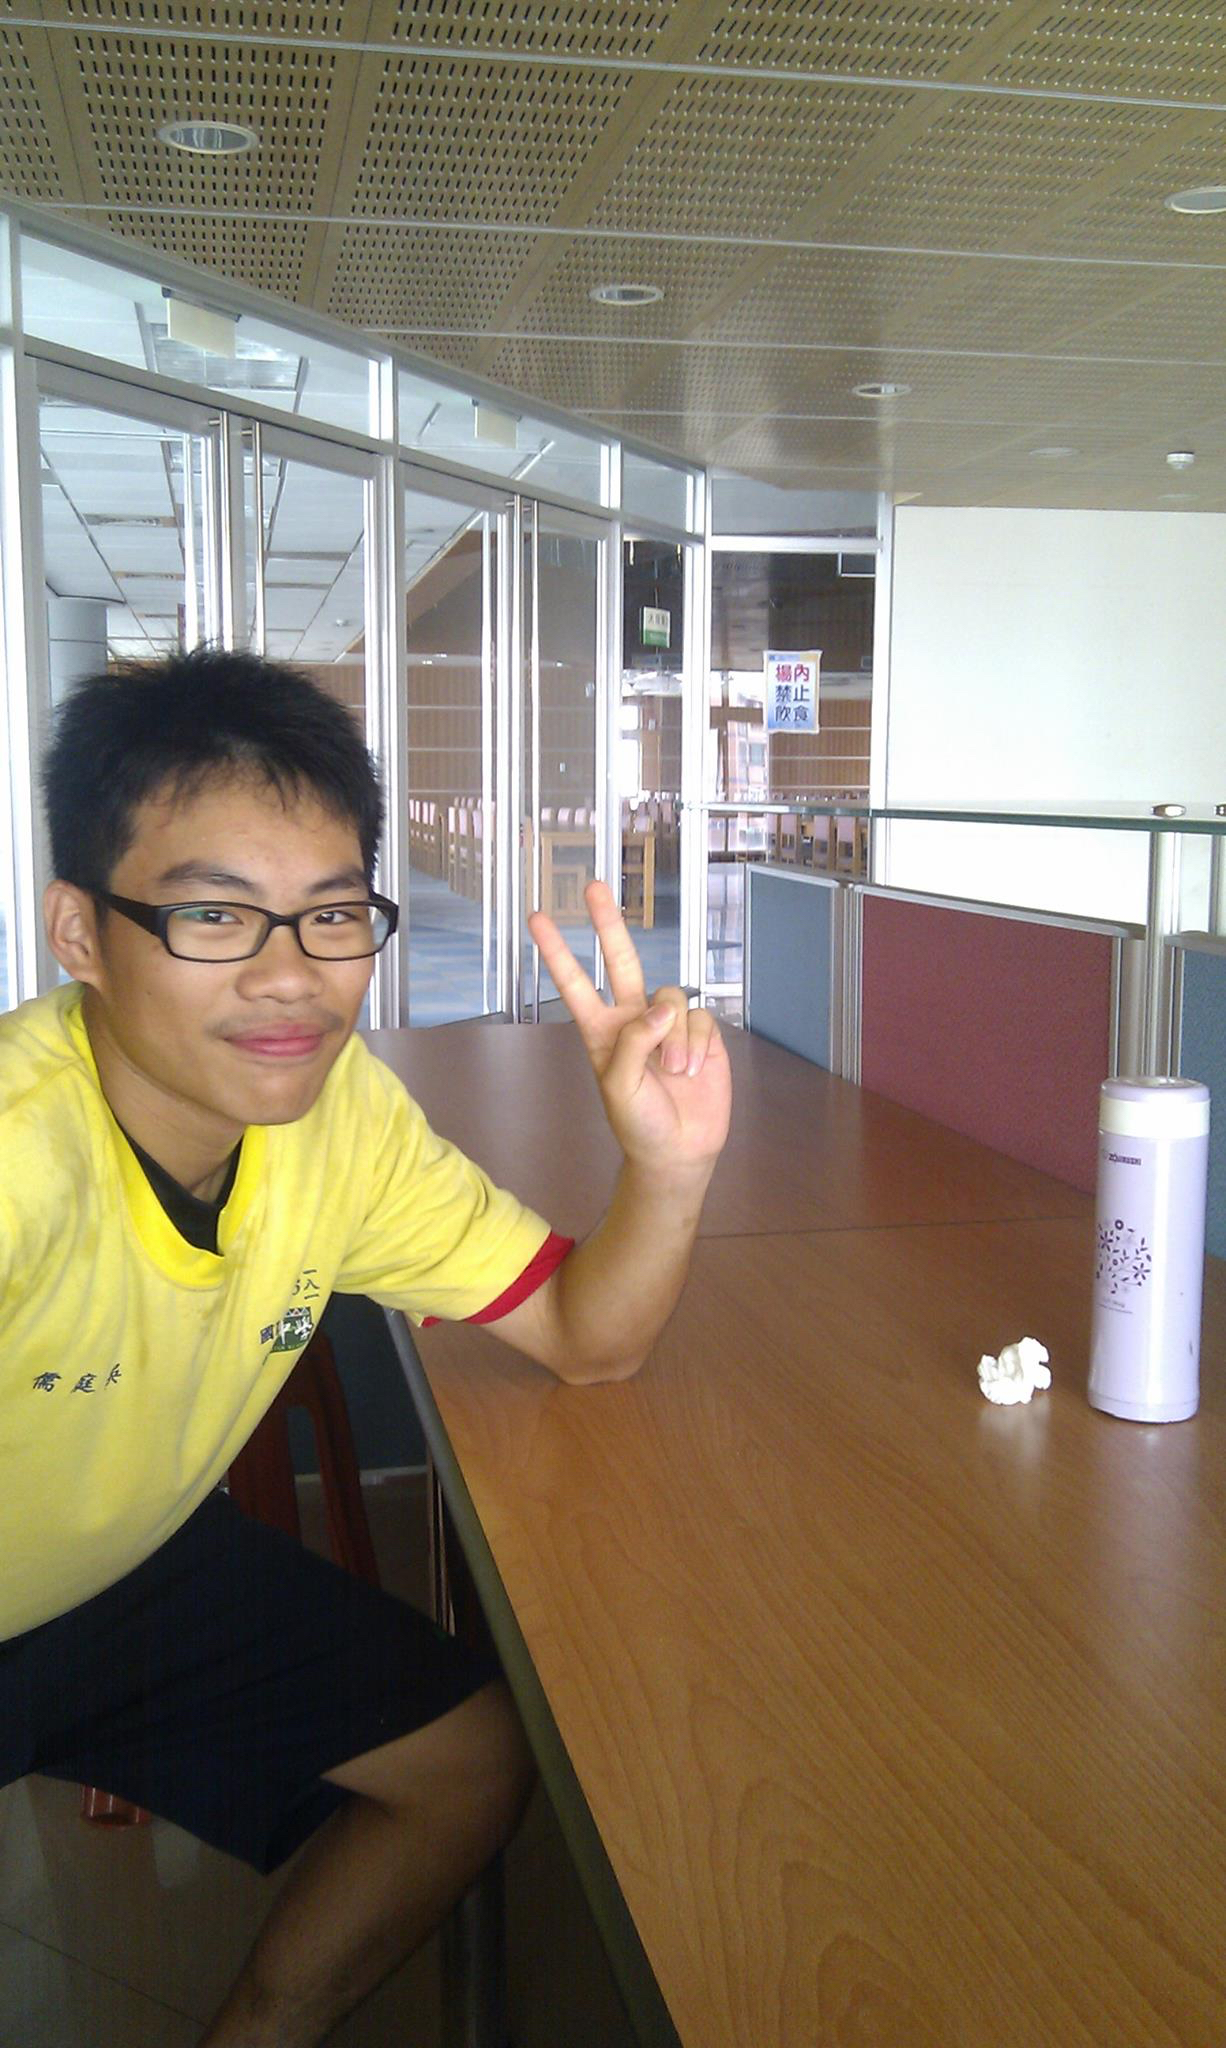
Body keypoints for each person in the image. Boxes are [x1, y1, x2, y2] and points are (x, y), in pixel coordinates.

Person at [0, 645, 731, 2047]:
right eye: (215, 916)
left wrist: (668, 1167)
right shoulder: (18, 1155)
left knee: (468, 1761)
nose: (291, 980)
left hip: (119, 1570)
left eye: (332, 917)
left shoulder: (342, 1122)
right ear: (80, 933)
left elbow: (586, 1339)